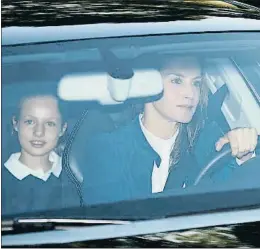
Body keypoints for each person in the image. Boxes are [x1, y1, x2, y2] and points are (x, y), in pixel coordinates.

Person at [80, 55, 258, 205]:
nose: (190, 94)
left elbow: (232, 195)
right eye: (176, 80)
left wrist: (244, 155)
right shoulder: (107, 150)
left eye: (196, 83)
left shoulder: (208, 139)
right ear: (147, 84)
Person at [2, 95, 81, 215]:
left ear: (63, 129)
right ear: (15, 124)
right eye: (30, 122)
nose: (39, 132)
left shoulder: (74, 175)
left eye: (50, 123)